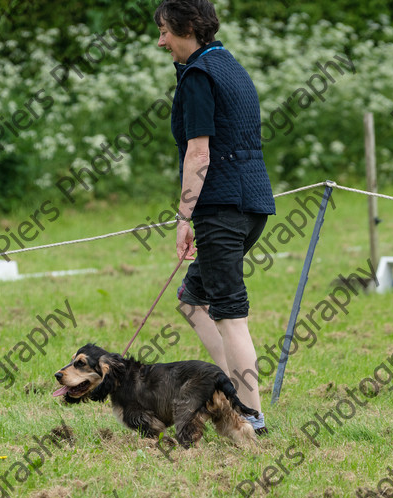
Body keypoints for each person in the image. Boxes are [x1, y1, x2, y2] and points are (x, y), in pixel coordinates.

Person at [153, 0, 276, 434]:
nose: (161, 40)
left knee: (230, 313)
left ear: (187, 27)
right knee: (192, 299)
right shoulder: (229, 65)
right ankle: (225, 394)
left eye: (166, 30)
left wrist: (184, 215)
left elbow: (198, 152)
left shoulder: (199, 76)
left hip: (222, 208)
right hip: (252, 204)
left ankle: (252, 417)